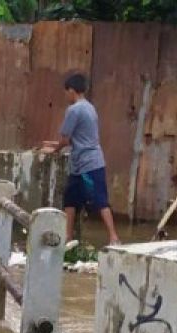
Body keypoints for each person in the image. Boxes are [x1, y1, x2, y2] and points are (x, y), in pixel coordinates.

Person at [41, 72, 121, 246]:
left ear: (72, 90)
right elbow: (78, 138)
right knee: (70, 199)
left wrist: (54, 149)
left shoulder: (74, 110)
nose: (65, 95)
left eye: (66, 91)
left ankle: (114, 237)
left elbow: (65, 139)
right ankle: (68, 237)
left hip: (88, 164)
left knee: (99, 200)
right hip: (81, 164)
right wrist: (55, 145)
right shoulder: (90, 107)